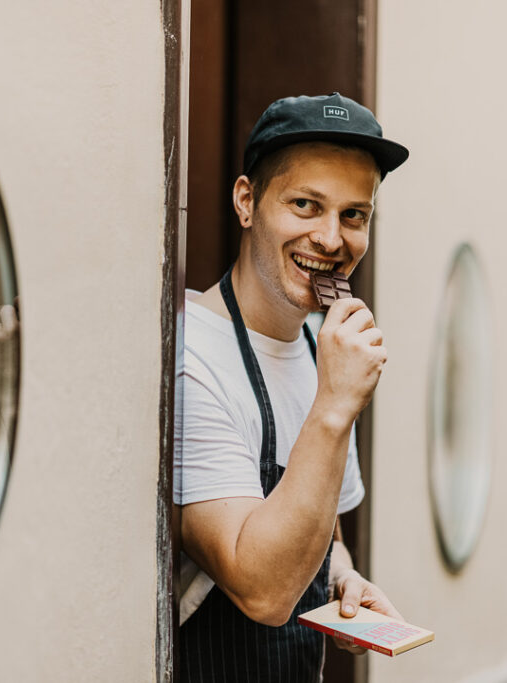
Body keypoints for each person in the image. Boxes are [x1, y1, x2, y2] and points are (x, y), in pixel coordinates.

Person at [174, 93, 409, 681]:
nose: (332, 239)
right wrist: (336, 403)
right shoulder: (188, 355)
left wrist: (342, 580)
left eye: (354, 215)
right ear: (247, 201)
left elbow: (325, 536)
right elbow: (263, 590)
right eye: (306, 205)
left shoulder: (319, 347)